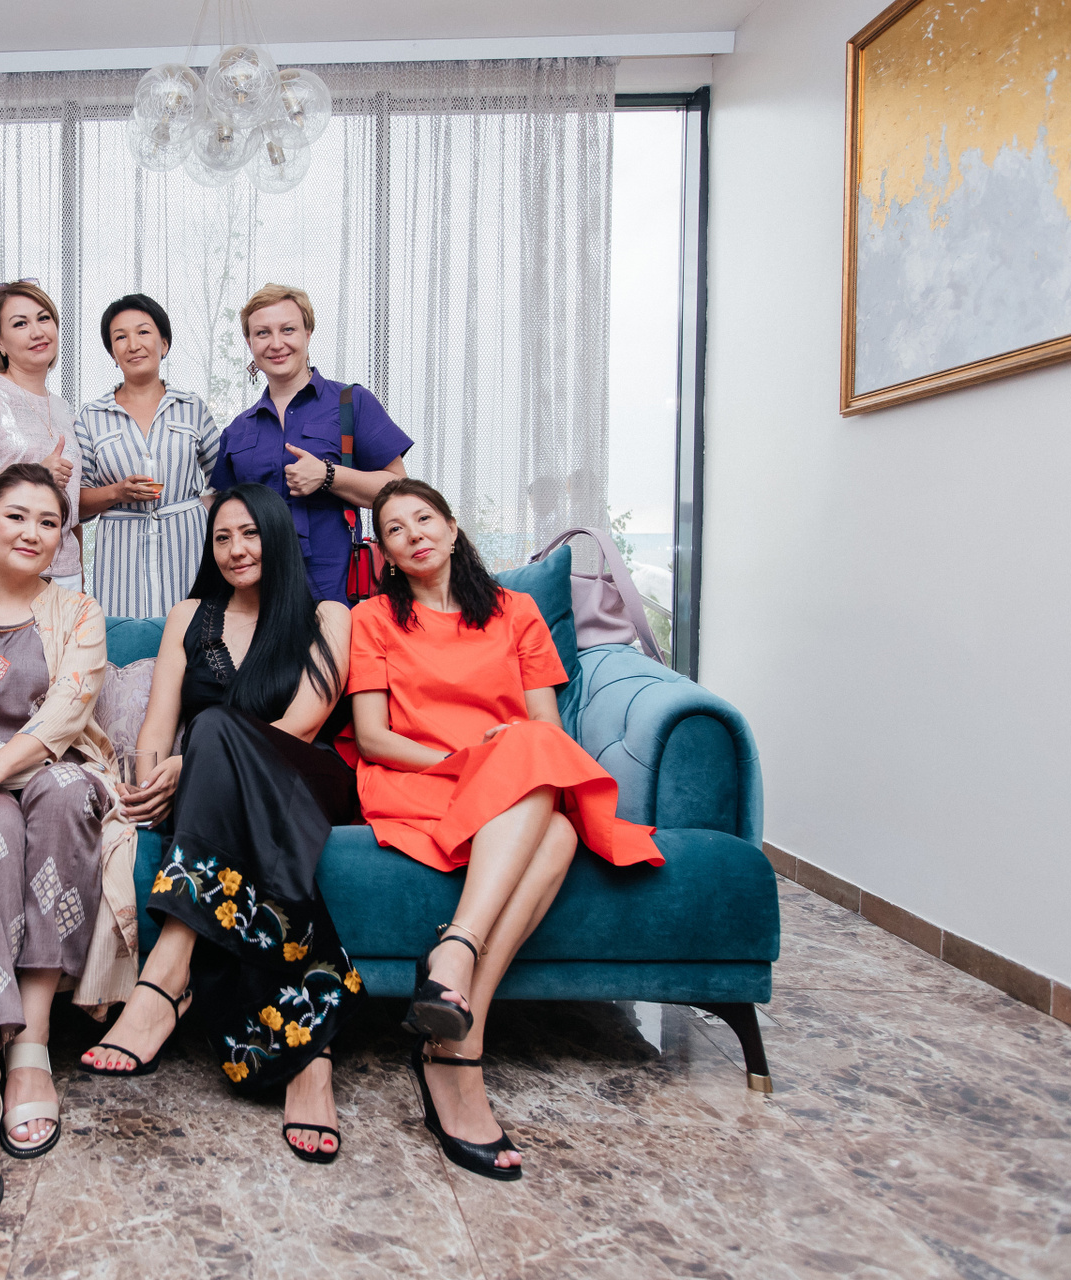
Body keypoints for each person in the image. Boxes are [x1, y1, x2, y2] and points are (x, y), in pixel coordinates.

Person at [348, 478, 663, 1180]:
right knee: (554, 826)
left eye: (424, 518)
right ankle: (456, 1000)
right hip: (423, 779)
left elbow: (546, 728)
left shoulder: (517, 612)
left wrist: (504, 754)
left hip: (514, 782)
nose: (413, 534)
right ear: (386, 555)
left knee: (546, 795)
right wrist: (471, 759)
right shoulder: (372, 619)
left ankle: (459, 1022)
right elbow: (373, 738)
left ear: (452, 526)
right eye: (395, 530)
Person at [80, 482, 360, 1165]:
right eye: (223, 538)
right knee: (204, 733)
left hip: (304, 781)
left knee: (212, 730)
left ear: (277, 536)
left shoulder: (326, 615)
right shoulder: (189, 617)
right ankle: (311, 1058)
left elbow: (303, 725)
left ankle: (167, 974)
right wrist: (153, 782)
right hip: (214, 794)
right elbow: (158, 726)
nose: (236, 549)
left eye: (250, 533)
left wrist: (196, 760)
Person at [0, 462, 132, 1218]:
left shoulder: (78, 612)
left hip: (50, 769)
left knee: (67, 793)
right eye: (15, 516)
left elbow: (68, 713)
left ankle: (33, 1043)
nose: (33, 532)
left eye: (49, 521)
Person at [210, 283, 412, 603]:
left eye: (288, 329)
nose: (276, 343)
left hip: (335, 586)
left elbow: (400, 492)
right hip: (260, 592)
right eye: (262, 333)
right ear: (249, 343)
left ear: (308, 333)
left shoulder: (351, 402)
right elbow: (222, 513)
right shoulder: (237, 430)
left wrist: (328, 475)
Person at [75, 293, 221, 617]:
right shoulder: (91, 416)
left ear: (164, 344)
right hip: (120, 554)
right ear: (112, 354)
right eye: (120, 337)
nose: (133, 344)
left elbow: (224, 480)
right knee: (125, 637)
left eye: (143, 332)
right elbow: (76, 503)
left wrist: (196, 510)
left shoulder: (192, 408)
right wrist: (117, 492)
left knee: (191, 633)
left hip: (188, 549)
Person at [0, 279, 85, 591]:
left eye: (44, 318)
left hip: (64, 573)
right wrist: (35, 475)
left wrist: (80, 575)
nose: (37, 332)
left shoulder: (65, 410)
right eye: (20, 323)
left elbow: (70, 505)